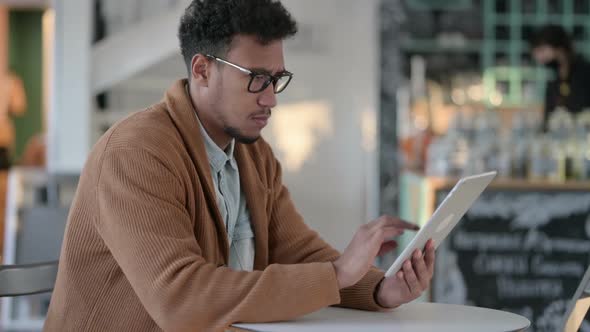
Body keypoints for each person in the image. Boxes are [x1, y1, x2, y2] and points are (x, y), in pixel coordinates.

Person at [44, 1, 435, 331]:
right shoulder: (135, 153)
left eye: (276, 80)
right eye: (257, 79)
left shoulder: (253, 154)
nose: (271, 100)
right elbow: (179, 299)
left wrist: (379, 289)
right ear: (201, 70)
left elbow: (296, 252)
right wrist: (336, 276)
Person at [530, 25, 590, 128]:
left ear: (560, 49)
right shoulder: (555, 81)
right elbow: (547, 121)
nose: (538, 58)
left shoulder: (585, 73)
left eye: (542, 50)